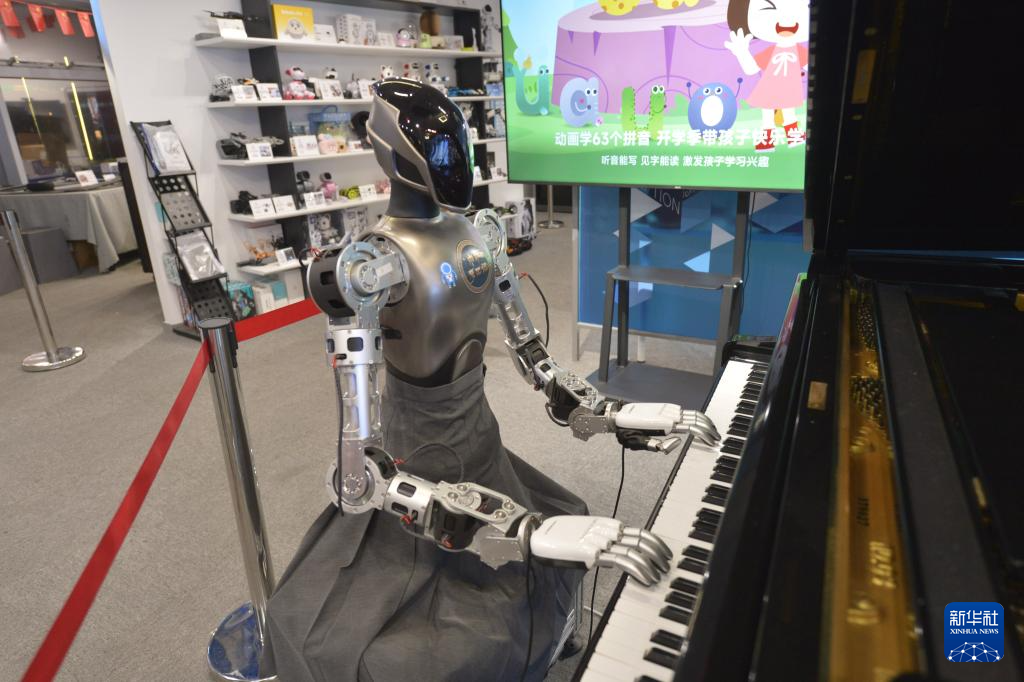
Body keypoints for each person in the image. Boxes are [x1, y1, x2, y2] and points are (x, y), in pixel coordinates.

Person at [724, 0, 810, 152]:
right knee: (768, 114)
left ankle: (793, 137)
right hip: (769, 87)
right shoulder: (771, 51)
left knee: (788, 112)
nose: (786, 20)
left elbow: (809, 65)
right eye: (767, 8)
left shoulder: (798, 51)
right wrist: (741, 52)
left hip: (788, 87)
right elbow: (751, 69)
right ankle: (767, 141)